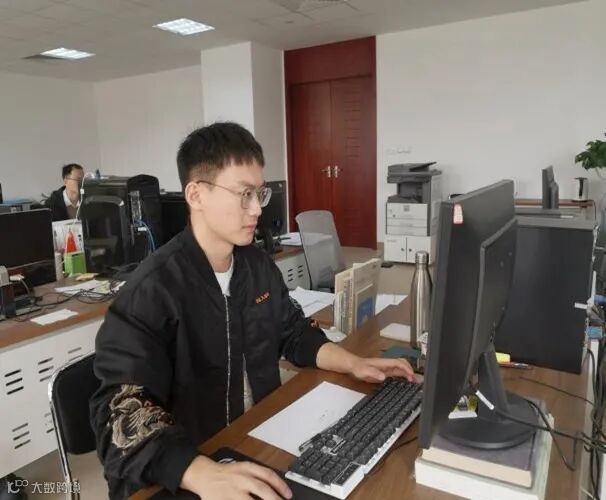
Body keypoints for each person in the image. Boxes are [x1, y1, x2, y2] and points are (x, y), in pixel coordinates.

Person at [90, 122, 414, 500]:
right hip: (184, 469)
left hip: (253, 443)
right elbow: (118, 412)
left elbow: (292, 331)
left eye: (260, 193)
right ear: (196, 194)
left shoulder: (255, 265)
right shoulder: (152, 290)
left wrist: (353, 363)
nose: (258, 208)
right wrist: (199, 471)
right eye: (244, 194)